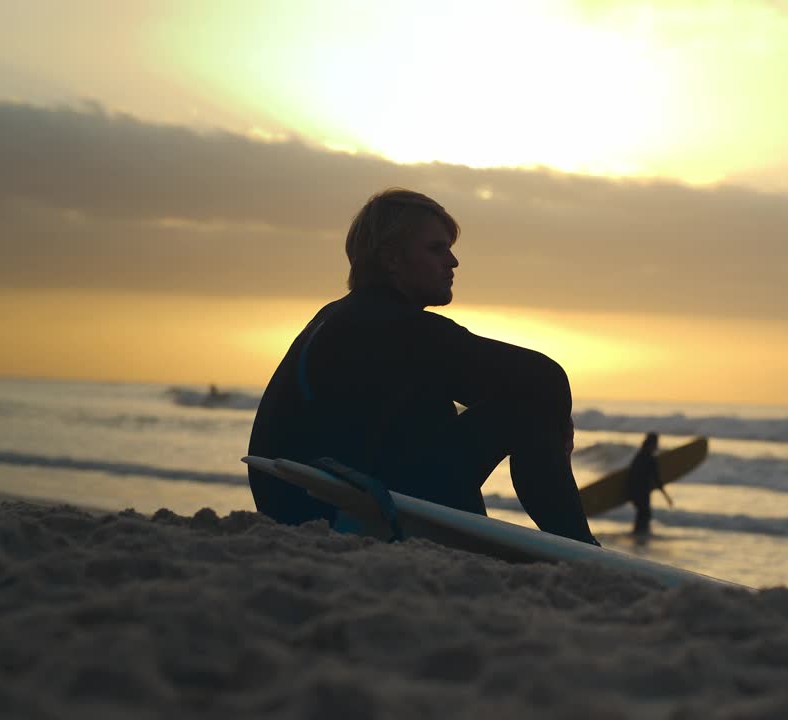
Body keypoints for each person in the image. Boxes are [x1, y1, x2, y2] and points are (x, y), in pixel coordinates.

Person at [246, 187, 598, 545]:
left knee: (444, 397)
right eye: (436, 248)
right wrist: (552, 427)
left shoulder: (340, 318)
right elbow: (547, 378)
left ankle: (486, 527)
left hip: (294, 508)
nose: (453, 261)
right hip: (336, 515)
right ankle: (578, 544)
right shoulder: (393, 326)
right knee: (531, 411)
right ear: (391, 259)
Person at [626, 432, 668, 535]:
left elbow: (631, 474)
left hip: (635, 492)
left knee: (642, 514)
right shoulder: (650, 459)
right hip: (642, 493)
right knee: (645, 514)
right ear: (652, 444)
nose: (657, 446)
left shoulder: (639, 456)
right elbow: (656, 478)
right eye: (656, 443)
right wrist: (666, 496)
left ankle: (638, 534)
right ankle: (640, 536)